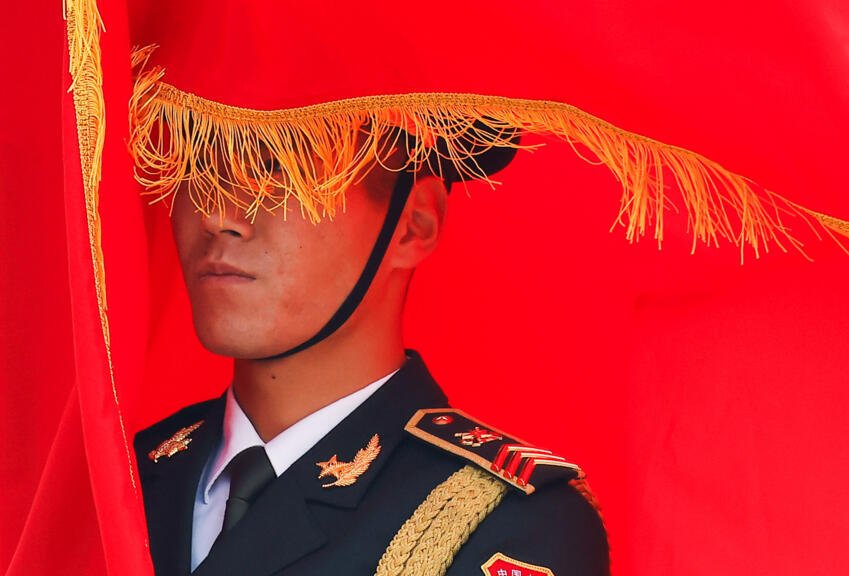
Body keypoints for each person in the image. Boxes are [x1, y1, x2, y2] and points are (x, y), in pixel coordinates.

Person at [128, 4, 609, 575]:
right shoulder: (126, 478)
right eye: (196, 162)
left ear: (413, 224)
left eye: (282, 167)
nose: (217, 214)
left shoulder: (502, 526)